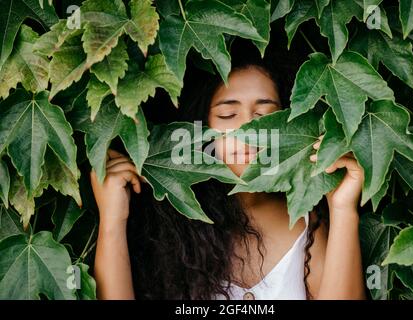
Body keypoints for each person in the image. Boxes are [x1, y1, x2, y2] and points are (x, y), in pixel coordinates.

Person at [91, 41, 366, 300]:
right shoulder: (166, 222)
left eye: (264, 116)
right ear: (200, 125)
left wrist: (343, 208)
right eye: (227, 115)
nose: (248, 129)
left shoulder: (305, 218)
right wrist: (112, 219)